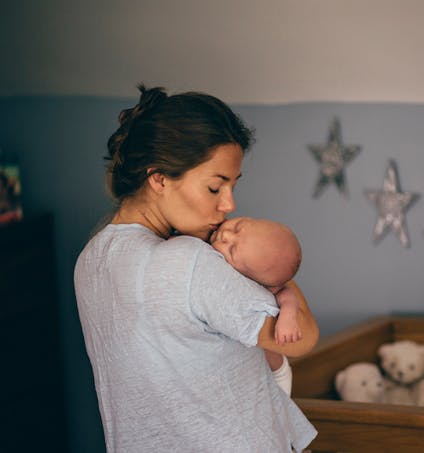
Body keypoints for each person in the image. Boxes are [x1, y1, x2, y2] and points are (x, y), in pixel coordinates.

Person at [74, 84, 319, 453]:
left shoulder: (90, 259)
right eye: (214, 188)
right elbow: (302, 337)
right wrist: (274, 265)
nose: (229, 204)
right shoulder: (189, 261)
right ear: (158, 178)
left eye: (232, 186)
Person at [209, 216, 304, 396]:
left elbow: (286, 294)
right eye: (237, 227)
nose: (226, 235)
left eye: (232, 250)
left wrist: (288, 317)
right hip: (240, 366)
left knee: (280, 407)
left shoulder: (259, 285)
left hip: (275, 370)